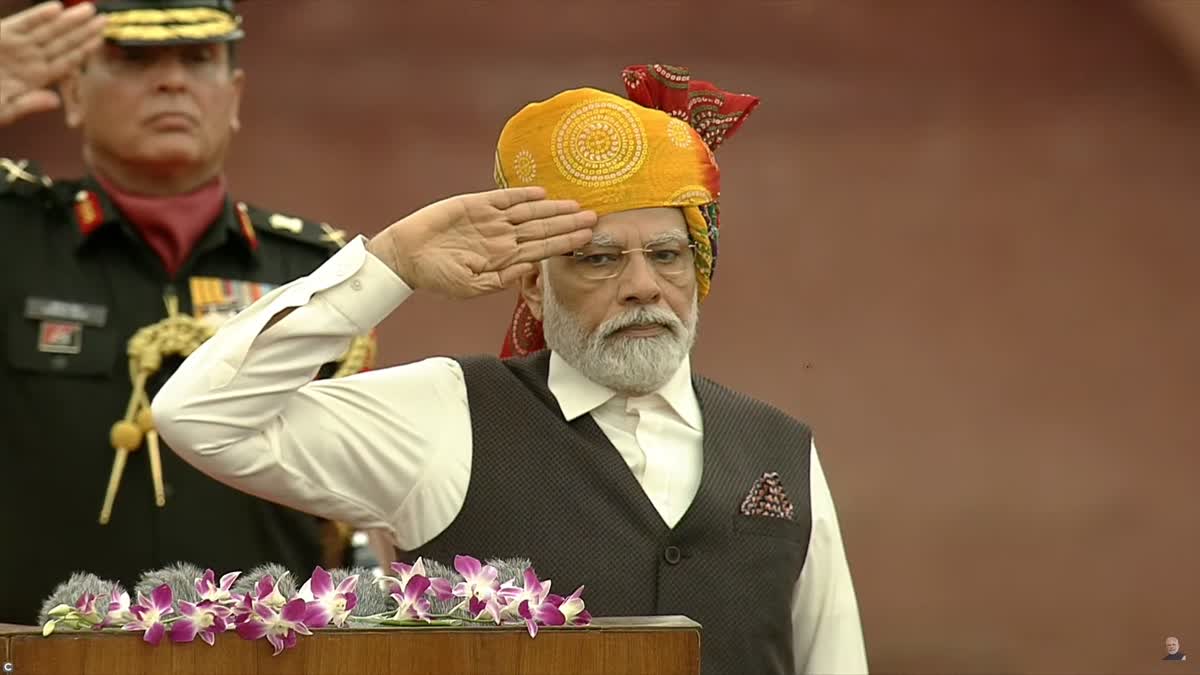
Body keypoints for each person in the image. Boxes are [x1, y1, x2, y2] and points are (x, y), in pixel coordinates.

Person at [153, 64, 869, 674]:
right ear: (533, 284)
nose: (643, 284)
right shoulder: (448, 416)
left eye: (667, 254)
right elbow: (197, 415)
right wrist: (389, 266)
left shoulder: (781, 451)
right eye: (599, 257)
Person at [0, 0, 374, 624]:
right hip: (32, 651)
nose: (171, 80)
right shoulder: (11, 233)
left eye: (199, 59)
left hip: (261, 656)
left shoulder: (314, 272)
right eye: (135, 59)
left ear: (234, 97)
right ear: (71, 93)